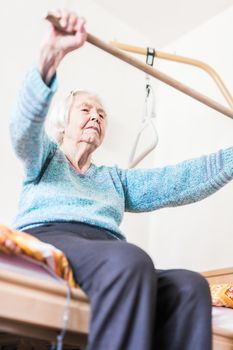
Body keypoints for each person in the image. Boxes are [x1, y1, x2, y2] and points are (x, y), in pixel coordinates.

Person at [10, 9, 233, 350]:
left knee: (191, 287)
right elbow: (23, 132)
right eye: (85, 110)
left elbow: (177, 181)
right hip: (50, 240)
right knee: (130, 258)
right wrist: (47, 62)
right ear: (62, 123)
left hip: (105, 253)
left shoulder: (113, 179)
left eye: (101, 114)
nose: (96, 117)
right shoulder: (45, 158)